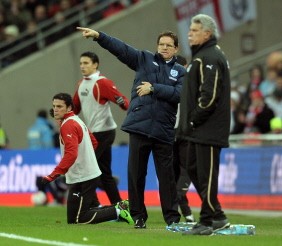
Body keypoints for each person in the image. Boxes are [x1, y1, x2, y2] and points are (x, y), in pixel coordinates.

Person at [76, 26, 183, 229]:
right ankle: (138, 216)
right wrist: (100, 36)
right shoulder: (144, 59)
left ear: (176, 49)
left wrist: (153, 88)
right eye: (161, 44)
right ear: (157, 46)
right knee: (136, 175)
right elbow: (121, 49)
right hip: (139, 127)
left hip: (163, 130)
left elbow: (180, 94)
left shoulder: (181, 71)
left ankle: (172, 218)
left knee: (167, 177)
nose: (164, 48)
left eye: (169, 45)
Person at [41, 92, 133, 225]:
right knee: (73, 220)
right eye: (54, 106)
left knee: (80, 218)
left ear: (69, 108)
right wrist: (86, 159)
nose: (55, 109)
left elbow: (71, 154)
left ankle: (117, 211)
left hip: (83, 177)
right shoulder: (77, 120)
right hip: (83, 174)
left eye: (60, 106)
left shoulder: (68, 125)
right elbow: (94, 142)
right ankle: (120, 207)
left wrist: (52, 176)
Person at [176, 14, 231, 236]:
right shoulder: (201, 57)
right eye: (190, 29)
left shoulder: (210, 57)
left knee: (206, 175)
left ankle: (207, 222)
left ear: (207, 34)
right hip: (196, 129)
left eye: (195, 30)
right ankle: (217, 215)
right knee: (192, 167)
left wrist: (191, 120)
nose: (189, 33)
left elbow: (209, 96)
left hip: (208, 129)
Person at [72, 51, 129, 206]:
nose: (82, 66)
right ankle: (119, 207)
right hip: (94, 133)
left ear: (95, 64)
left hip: (104, 132)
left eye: (86, 63)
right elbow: (75, 108)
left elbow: (123, 101)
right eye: (81, 63)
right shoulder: (81, 84)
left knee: (87, 168)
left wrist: (122, 102)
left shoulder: (102, 82)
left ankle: (93, 204)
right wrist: (63, 113)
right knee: (105, 173)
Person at [173, 55, 195, 223]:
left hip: (186, 135)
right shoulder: (172, 87)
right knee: (173, 174)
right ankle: (184, 213)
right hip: (171, 134)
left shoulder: (192, 87)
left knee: (186, 169)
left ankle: (187, 209)